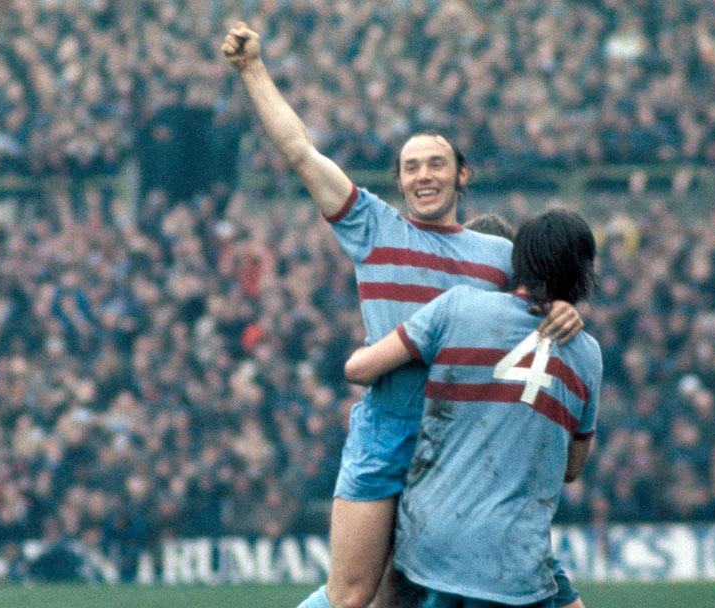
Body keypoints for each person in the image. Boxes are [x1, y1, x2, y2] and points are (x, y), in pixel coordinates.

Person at [221, 22, 585, 608]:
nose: (424, 176)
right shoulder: (373, 227)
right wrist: (252, 70)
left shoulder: (500, 255)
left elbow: (543, 307)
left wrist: (569, 310)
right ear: (398, 181)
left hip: (461, 440)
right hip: (387, 428)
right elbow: (299, 152)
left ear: (461, 175)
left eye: (436, 164)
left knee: (406, 595)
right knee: (352, 596)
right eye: (412, 167)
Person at [345, 209, 602, 607]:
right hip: (513, 552)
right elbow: (572, 468)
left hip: (429, 538)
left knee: (358, 598)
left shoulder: (457, 308)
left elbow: (357, 368)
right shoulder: (586, 354)